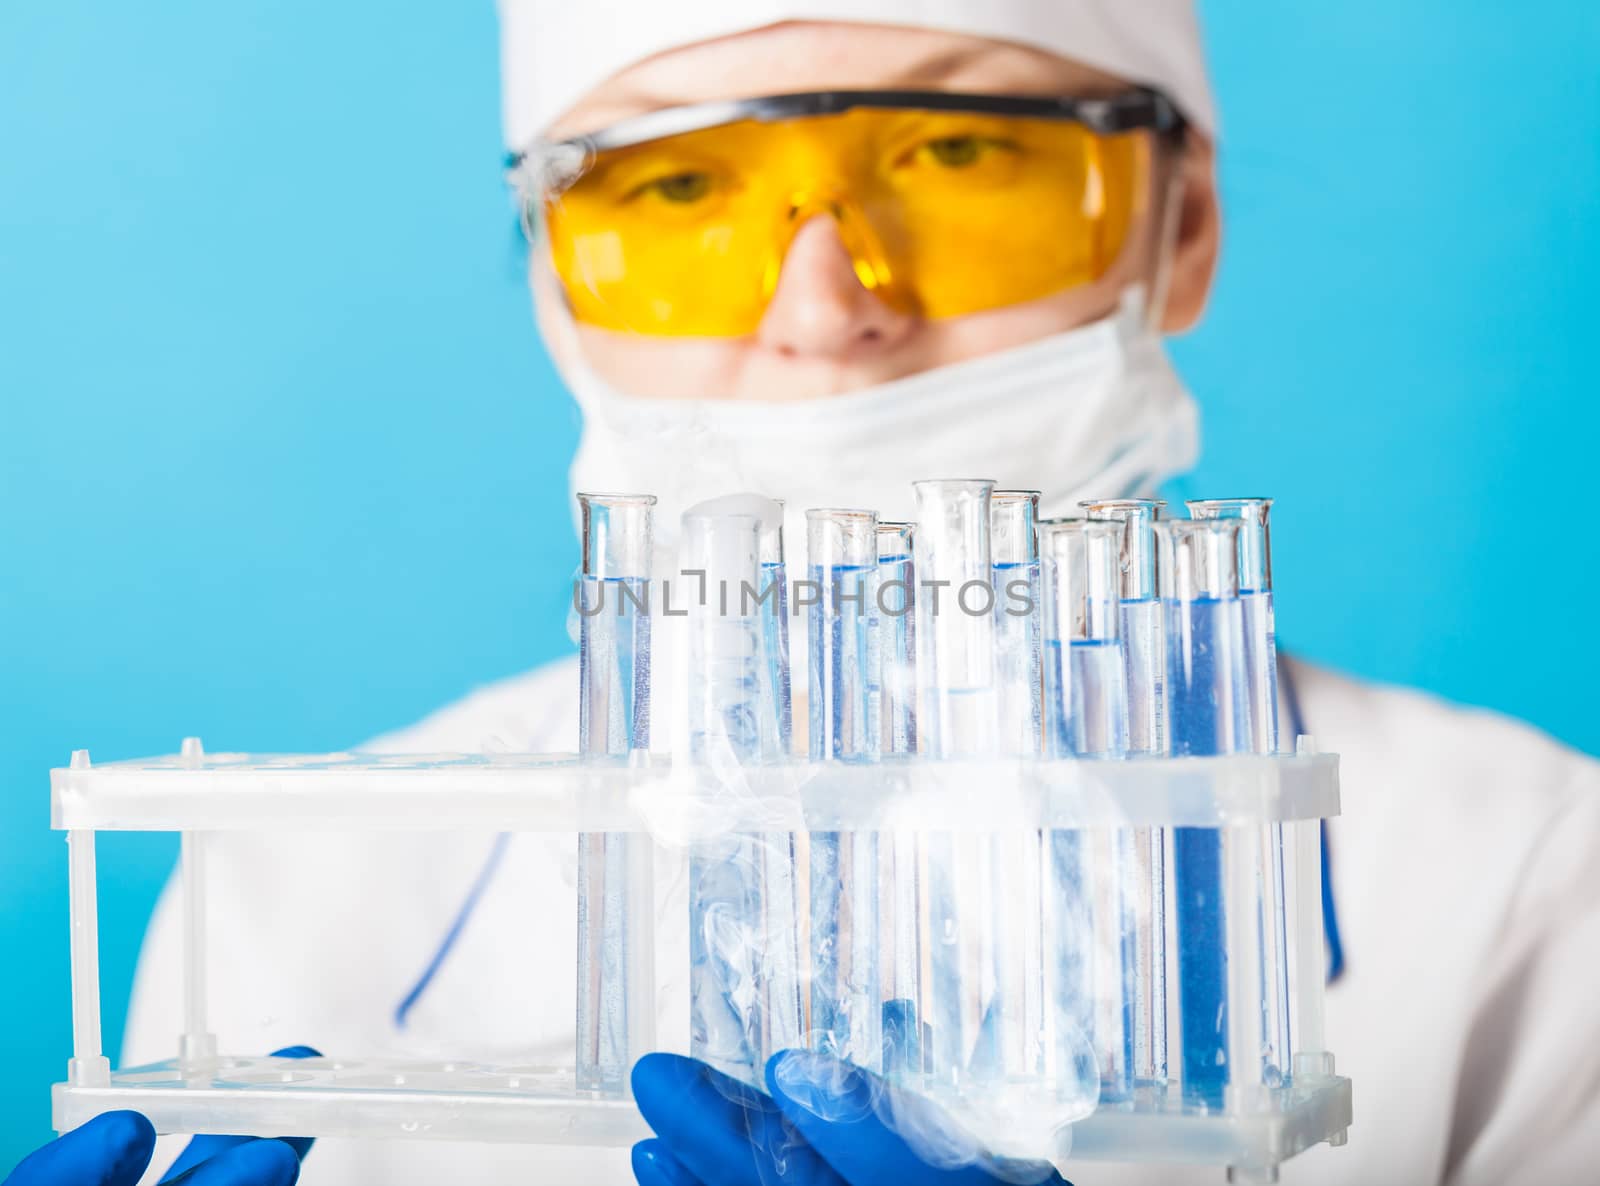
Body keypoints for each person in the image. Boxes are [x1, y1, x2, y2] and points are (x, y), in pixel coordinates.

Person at [103, 1, 1600, 1184]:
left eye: (959, 160)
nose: (827, 309)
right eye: (680, 184)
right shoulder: (292, 900)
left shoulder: (1533, 886)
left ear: (1183, 221)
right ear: (554, 278)